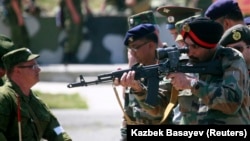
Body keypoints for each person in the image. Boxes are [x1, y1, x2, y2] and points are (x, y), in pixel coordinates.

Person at [167, 16, 250, 124]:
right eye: (187, 46)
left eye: (195, 46)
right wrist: (139, 89)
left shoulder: (231, 58)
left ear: (210, 46)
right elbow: (157, 108)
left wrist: (191, 84)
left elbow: (232, 103)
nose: (189, 52)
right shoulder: (184, 62)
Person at [0, 48, 72, 140]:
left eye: (37, 65)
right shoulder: (4, 97)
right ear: (17, 71)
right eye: (33, 66)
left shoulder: (35, 101)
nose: (39, 69)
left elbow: (56, 130)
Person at [116, 24, 173, 141]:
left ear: (151, 45)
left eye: (135, 47)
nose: (132, 53)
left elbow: (157, 110)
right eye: (130, 49)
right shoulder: (136, 71)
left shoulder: (170, 69)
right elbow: (129, 113)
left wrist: (138, 90)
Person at [57, 0, 91, 64]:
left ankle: (72, 55)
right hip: (71, 12)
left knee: (79, 35)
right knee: (73, 35)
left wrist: (86, 7)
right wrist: (74, 13)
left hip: (78, 11)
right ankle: (67, 57)